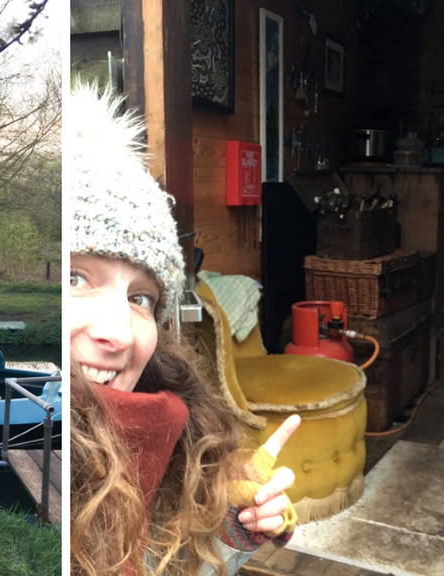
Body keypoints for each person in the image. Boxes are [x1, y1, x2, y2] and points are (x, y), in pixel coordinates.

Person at [69, 86, 299, 576]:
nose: (121, 333)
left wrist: (228, 524)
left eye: (140, 298)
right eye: (75, 279)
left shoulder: (171, 440)